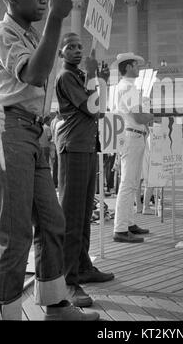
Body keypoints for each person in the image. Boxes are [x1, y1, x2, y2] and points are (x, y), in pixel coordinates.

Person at [0, 0, 99, 321]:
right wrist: (55, 18)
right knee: (15, 230)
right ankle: (4, 310)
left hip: (34, 133)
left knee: (52, 221)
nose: (42, 0)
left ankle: (54, 303)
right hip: (9, 131)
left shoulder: (30, 37)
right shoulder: (1, 33)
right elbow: (35, 73)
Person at [55, 32, 115, 307]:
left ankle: (83, 266)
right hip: (74, 147)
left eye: (80, 47)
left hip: (87, 146)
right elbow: (92, 109)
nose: (77, 51)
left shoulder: (80, 77)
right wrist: (93, 77)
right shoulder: (67, 76)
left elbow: (101, 109)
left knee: (84, 210)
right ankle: (69, 280)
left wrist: (99, 80)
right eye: (71, 47)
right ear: (61, 53)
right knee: (71, 213)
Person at [113, 52, 154, 243]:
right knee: (128, 183)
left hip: (133, 135)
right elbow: (138, 116)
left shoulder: (127, 87)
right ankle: (120, 228)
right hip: (132, 135)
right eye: (136, 65)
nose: (138, 68)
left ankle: (128, 223)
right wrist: (150, 116)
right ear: (128, 67)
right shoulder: (127, 87)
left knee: (132, 182)